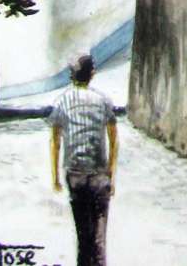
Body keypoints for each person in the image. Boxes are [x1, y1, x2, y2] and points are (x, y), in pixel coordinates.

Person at [48, 53, 118, 266]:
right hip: (99, 174)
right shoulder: (103, 101)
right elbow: (113, 140)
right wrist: (111, 174)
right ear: (92, 74)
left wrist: (55, 177)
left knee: (83, 238)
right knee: (99, 239)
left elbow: (55, 142)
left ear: (71, 75)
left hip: (75, 173)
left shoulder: (61, 102)